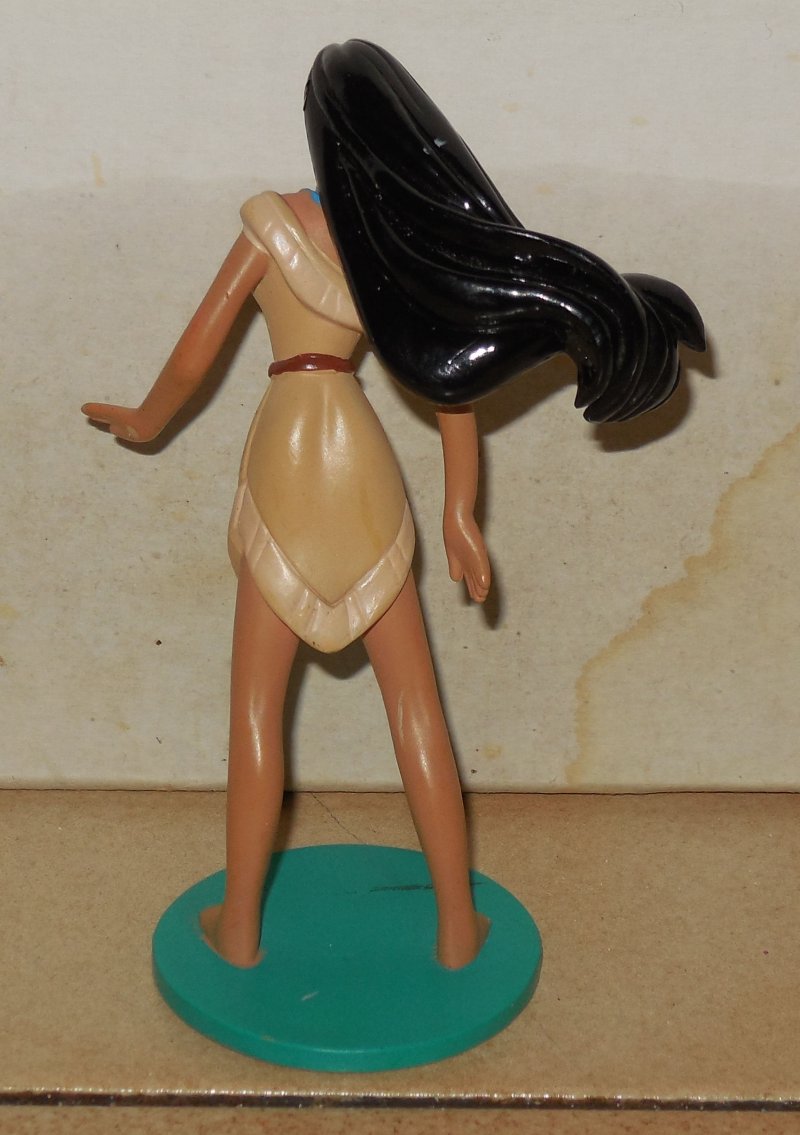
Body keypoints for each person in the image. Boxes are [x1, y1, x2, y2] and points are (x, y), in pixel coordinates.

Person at [82, 41, 704, 971]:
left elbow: (192, 355)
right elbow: (450, 385)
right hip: (360, 462)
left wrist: (143, 421)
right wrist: (460, 512)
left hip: (289, 456)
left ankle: (240, 930)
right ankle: (455, 928)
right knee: (414, 707)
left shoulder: (272, 225)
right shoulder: (393, 246)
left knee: (255, 713)